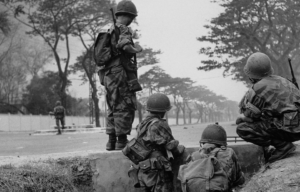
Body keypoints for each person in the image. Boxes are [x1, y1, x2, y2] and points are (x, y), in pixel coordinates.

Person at [236, 52, 300, 164]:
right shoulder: (284, 80)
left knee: (243, 128)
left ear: (251, 74)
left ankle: (283, 146)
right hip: (296, 127)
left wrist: (244, 119)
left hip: (291, 130)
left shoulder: (257, 89)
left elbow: (251, 117)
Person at [124, 93, 185, 192]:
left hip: (143, 170)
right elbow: (171, 146)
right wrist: (180, 149)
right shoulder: (160, 124)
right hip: (157, 172)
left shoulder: (141, 124)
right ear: (163, 111)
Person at [103, 0, 143, 151]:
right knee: (124, 105)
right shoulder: (123, 29)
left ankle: (111, 140)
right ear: (129, 16)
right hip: (120, 73)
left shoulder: (108, 29)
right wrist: (136, 49)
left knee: (113, 106)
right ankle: (121, 141)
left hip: (108, 74)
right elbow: (124, 46)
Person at [178, 123, 245, 192]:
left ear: (203, 143)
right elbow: (240, 180)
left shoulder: (194, 156)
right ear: (223, 143)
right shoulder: (228, 152)